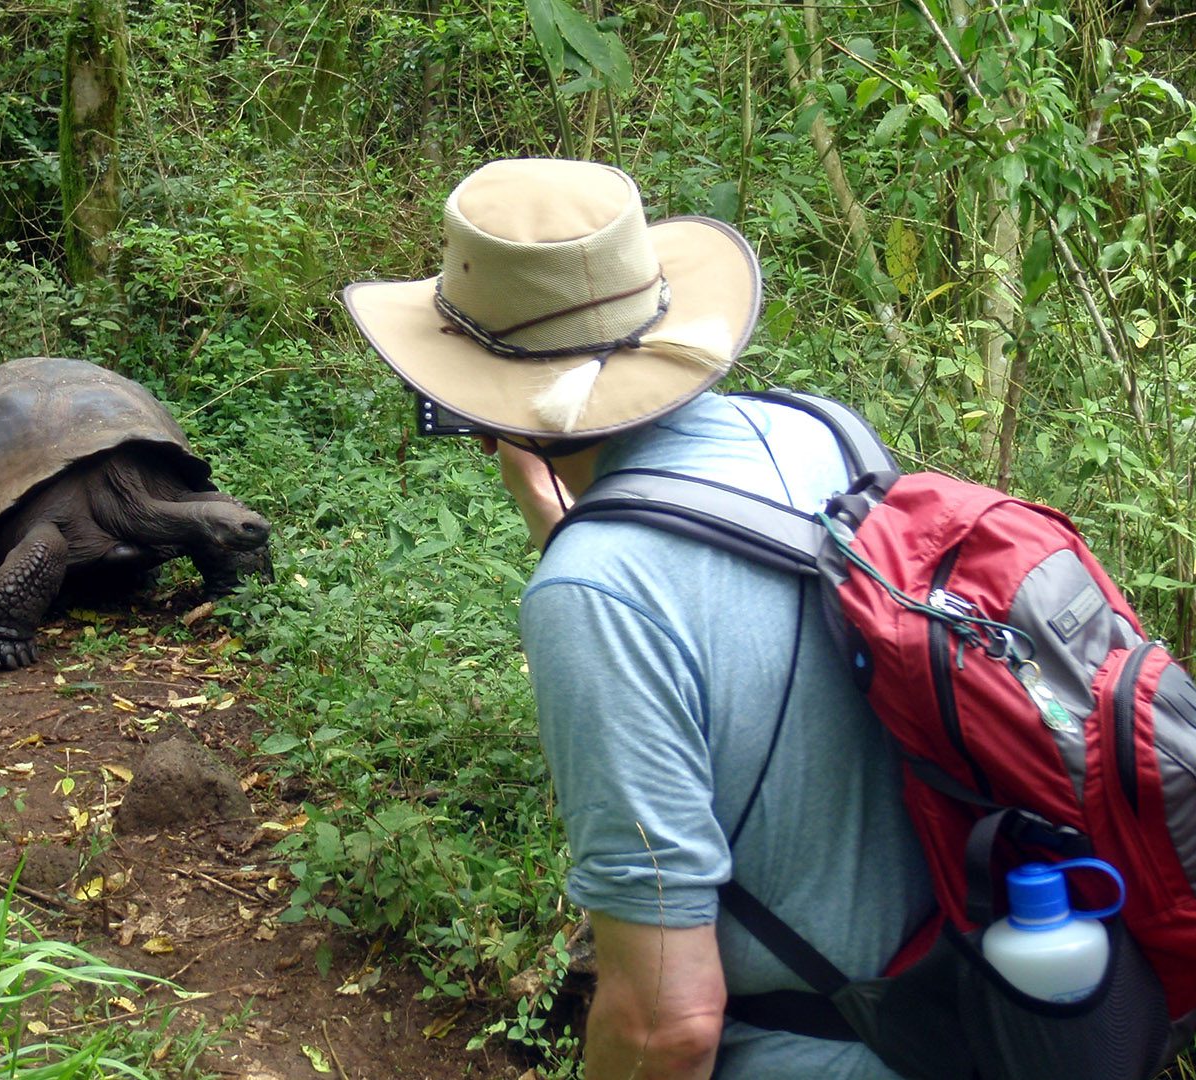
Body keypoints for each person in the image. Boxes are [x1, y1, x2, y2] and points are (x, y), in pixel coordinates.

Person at [343, 158, 933, 1078]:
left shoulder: (596, 591)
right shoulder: (824, 431)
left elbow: (668, 1021)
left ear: (484, 393)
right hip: (971, 1005)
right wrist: (565, 529)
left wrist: (581, 563)